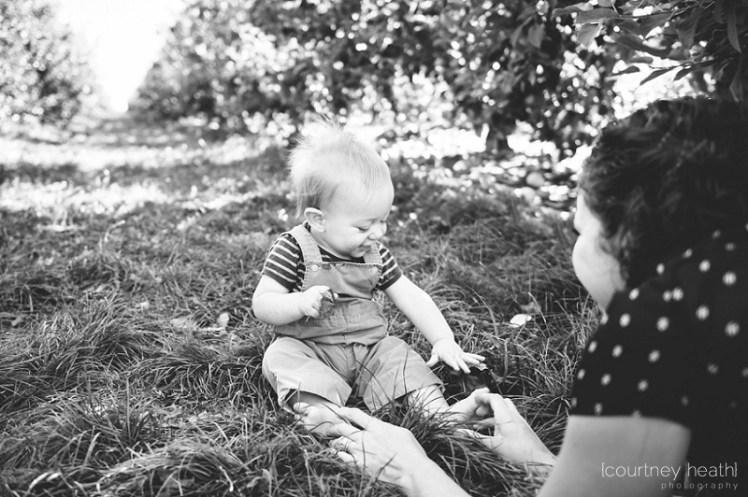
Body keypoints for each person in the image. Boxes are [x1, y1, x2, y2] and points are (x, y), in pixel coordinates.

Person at [324, 97, 748, 496]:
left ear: (630, 239)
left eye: (581, 231)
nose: (574, 248)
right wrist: (541, 462)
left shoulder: (653, 328)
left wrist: (413, 470)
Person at [252, 121, 485, 435]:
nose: (377, 233)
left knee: (397, 354)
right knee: (281, 357)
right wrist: (298, 302)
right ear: (318, 220)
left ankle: (438, 415)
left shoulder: (376, 254)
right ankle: (325, 414)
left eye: (384, 220)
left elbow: (411, 296)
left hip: (368, 349)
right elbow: (263, 303)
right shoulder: (293, 249)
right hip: (310, 347)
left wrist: (443, 340)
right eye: (363, 227)